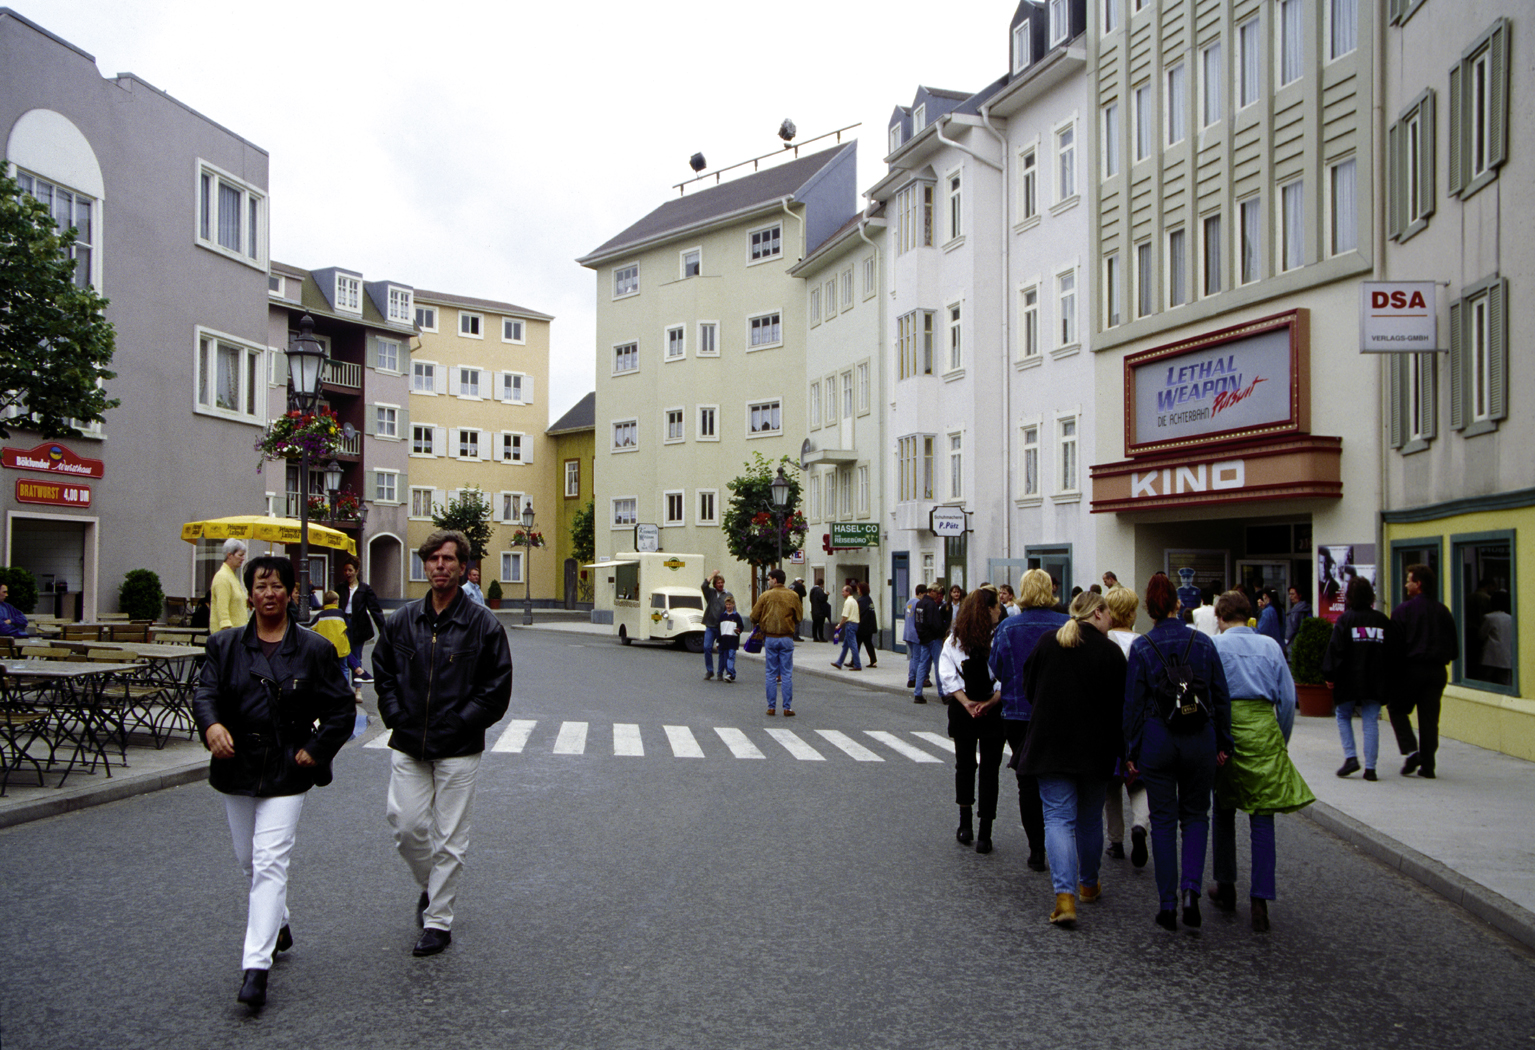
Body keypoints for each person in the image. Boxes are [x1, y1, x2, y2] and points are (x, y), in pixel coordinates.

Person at [193, 555, 353, 1009]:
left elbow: (342, 711)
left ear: (291, 594)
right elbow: (205, 693)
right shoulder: (224, 647)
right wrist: (211, 726)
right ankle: (278, 920)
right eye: (260, 585)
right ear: (250, 594)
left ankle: (255, 968)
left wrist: (317, 749)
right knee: (249, 860)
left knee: (269, 861)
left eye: (277, 585)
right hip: (237, 764)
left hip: (288, 767)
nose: (268, 593)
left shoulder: (314, 649)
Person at [373, 529, 513, 957]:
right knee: (406, 825)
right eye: (433, 558)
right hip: (409, 741)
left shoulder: (483, 625)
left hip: (459, 745)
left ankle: (438, 922)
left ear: (461, 566)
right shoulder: (403, 621)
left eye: (448, 559)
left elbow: (496, 688)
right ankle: (431, 886)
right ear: (425, 564)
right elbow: (384, 672)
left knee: (451, 837)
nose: (440, 566)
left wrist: (460, 723)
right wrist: (395, 716)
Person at [1123, 572, 1232, 931]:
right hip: (1199, 737)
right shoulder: (1203, 644)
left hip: (1158, 738)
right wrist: (1223, 741)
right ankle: (1191, 893)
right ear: (1177, 605)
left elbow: (1134, 706)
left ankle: (1167, 903)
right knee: (1197, 816)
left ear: (1149, 611)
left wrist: (1132, 751)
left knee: (1164, 821)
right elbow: (1219, 696)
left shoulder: (1141, 648)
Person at [1017, 591, 1127, 926]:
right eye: (1108, 614)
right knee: (1090, 820)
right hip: (1095, 748)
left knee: (1057, 820)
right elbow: (1122, 704)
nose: (1111, 621)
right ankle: (1089, 885)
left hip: (1050, 745)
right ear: (1097, 614)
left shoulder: (1049, 643)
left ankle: (1063, 898)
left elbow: (1028, 687)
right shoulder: (1110, 652)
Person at [1207, 590, 1314, 933]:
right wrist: (1279, 738)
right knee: (1262, 815)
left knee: (1223, 809)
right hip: (1264, 729)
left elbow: (1207, 694)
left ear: (1221, 618)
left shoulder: (1215, 646)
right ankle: (1260, 899)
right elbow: (1286, 699)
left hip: (1228, 730)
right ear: (1249, 616)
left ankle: (1225, 884)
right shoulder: (1270, 646)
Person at [988, 568, 1068, 871]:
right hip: (1057, 711)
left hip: (1018, 713)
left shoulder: (1009, 628)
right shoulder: (1067, 624)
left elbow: (996, 667)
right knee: (1057, 777)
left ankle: (1036, 848)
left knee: (1026, 780)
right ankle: (1058, 839)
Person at [939, 588, 1005, 854]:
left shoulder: (955, 640)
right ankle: (985, 834)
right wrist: (990, 702)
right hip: (992, 709)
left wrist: (966, 702)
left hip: (963, 710)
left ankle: (965, 824)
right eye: (997, 606)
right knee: (990, 770)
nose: (1000, 610)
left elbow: (947, 676)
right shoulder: (999, 639)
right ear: (988, 610)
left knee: (964, 766)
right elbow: (1004, 675)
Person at [1388, 564, 1458, 778]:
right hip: (1437, 671)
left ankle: (1411, 750)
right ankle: (1428, 766)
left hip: (1410, 670)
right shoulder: (1443, 611)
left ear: (1418, 584)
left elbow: (1394, 647)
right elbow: (1454, 648)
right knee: (1429, 719)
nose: (1406, 584)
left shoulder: (1402, 611)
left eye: (1409, 580)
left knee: (1396, 708)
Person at [1322, 576, 1392, 780]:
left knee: (1343, 715)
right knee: (1371, 719)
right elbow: (1392, 651)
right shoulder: (1382, 620)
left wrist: (1329, 674)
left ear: (1350, 596)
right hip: (1375, 679)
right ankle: (1371, 768)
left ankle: (1351, 757)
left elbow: (1335, 649)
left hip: (1348, 678)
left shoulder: (1345, 620)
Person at [1101, 585, 1148, 865]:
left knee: (1111, 784)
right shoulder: (1143, 642)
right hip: (1139, 720)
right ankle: (1140, 824)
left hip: (1109, 718)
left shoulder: (1105, 642)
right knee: (1139, 782)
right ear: (1131, 612)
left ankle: (1115, 840)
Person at [751, 569, 803, 716]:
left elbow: (753, 616)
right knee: (786, 673)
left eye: (769, 579)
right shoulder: (793, 596)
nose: (768, 581)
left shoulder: (765, 595)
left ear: (774, 580)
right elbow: (799, 617)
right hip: (787, 637)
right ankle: (787, 707)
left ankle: (771, 707)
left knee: (770, 673)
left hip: (771, 638)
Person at [337, 556, 387, 685]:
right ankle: (345, 688)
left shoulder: (365, 589)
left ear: (356, 571)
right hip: (342, 624)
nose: (347, 573)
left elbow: (375, 610)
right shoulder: (340, 588)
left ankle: (357, 688)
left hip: (358, 625)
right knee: (344, 654)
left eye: (350, 570)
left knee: (356, 655)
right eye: (345, 570)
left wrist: (383, 630)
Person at [308, 590, 354, 699]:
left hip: (325, 649)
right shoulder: (341, 614)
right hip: (341, 647)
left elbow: (311, 629)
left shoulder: (320, 615)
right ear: (335, 601)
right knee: (343, 668)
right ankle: (344, 690)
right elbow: (348, 627)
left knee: (326, 670)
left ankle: (328, 691)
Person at [911, 584, 944, 703]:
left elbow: (917, 622)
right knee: (938, 665)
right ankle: (942, 693)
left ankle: (917, 693)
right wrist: (941, 633)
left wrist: (921, 634)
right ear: (931, 592)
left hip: (923, 638)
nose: (938, 595)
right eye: (937, 592)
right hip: (933, 638)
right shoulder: (931, 605)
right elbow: (934, 623)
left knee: (922, 665)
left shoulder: (919, 604)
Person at [210, 538, 250, 634]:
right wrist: (226, 631)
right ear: (229, 555)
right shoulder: (222, 577)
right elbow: (222, 607)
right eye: (240, 555)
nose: (243, 558)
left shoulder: (232, 576)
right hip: (228, 634)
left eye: (243, 555)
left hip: (238, 632)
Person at [700, 572, 732, 681]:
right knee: (707, 647)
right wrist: (713, 574)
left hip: (722, 627)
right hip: (710, 625)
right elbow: (704, 585)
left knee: (722, 651)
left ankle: (720, 672)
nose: (721, 584)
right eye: (718, 582)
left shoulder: (728, 595)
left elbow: (733, 610)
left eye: (722, 582)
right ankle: (710, 671)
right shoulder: (710, 593)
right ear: (714, 584)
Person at [831, 584, 862, 672]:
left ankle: (857, 664)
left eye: (843, 592)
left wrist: (839, 625)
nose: (842, 593)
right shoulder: (854, 601)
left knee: (853, 645)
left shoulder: (848, 602)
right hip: (855, 624)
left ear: (848, 592)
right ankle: (839, 662)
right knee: (846, 645)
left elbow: (845, 616)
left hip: (850, 624)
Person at [903, 584, 927, 688]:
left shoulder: (909, 602)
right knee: (917, 657)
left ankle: (912, 677)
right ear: (920, 593)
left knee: (913, 657)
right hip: (915, 633)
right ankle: (913, 678)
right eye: (924, 595)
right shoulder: (919, 603)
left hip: (907, 632)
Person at [716, 596, 744, 683]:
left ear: (733, 605)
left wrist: (738, 630)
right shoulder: (722, 616)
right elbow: (719, 629)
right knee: (725, 658)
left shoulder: (736, 616)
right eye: (727, 604)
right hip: (724, 640)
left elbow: (741, 626)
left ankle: (730, 673)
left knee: (731, 656)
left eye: (730, 604)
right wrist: (718, 641)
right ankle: (731, 673)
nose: (728, 606)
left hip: (733, 640)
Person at [856, 582, 878, 668]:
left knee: (857, 644)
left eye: (858, 589)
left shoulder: (861, 601)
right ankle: (873, 660)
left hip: (862, 626)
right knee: (868, 643)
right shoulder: (869, 599)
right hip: (870, 625)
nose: (857, 591)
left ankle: (854, 660)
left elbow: (859, 613)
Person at [1284, 584, 1312, 655]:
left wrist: (1286, 641)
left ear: (1299, 595)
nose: (1290, 597)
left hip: (1294, 644)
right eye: (1289, 594)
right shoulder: (1307, 608)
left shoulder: (1295, 612)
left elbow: (1291, 629)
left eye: (1293, 594)